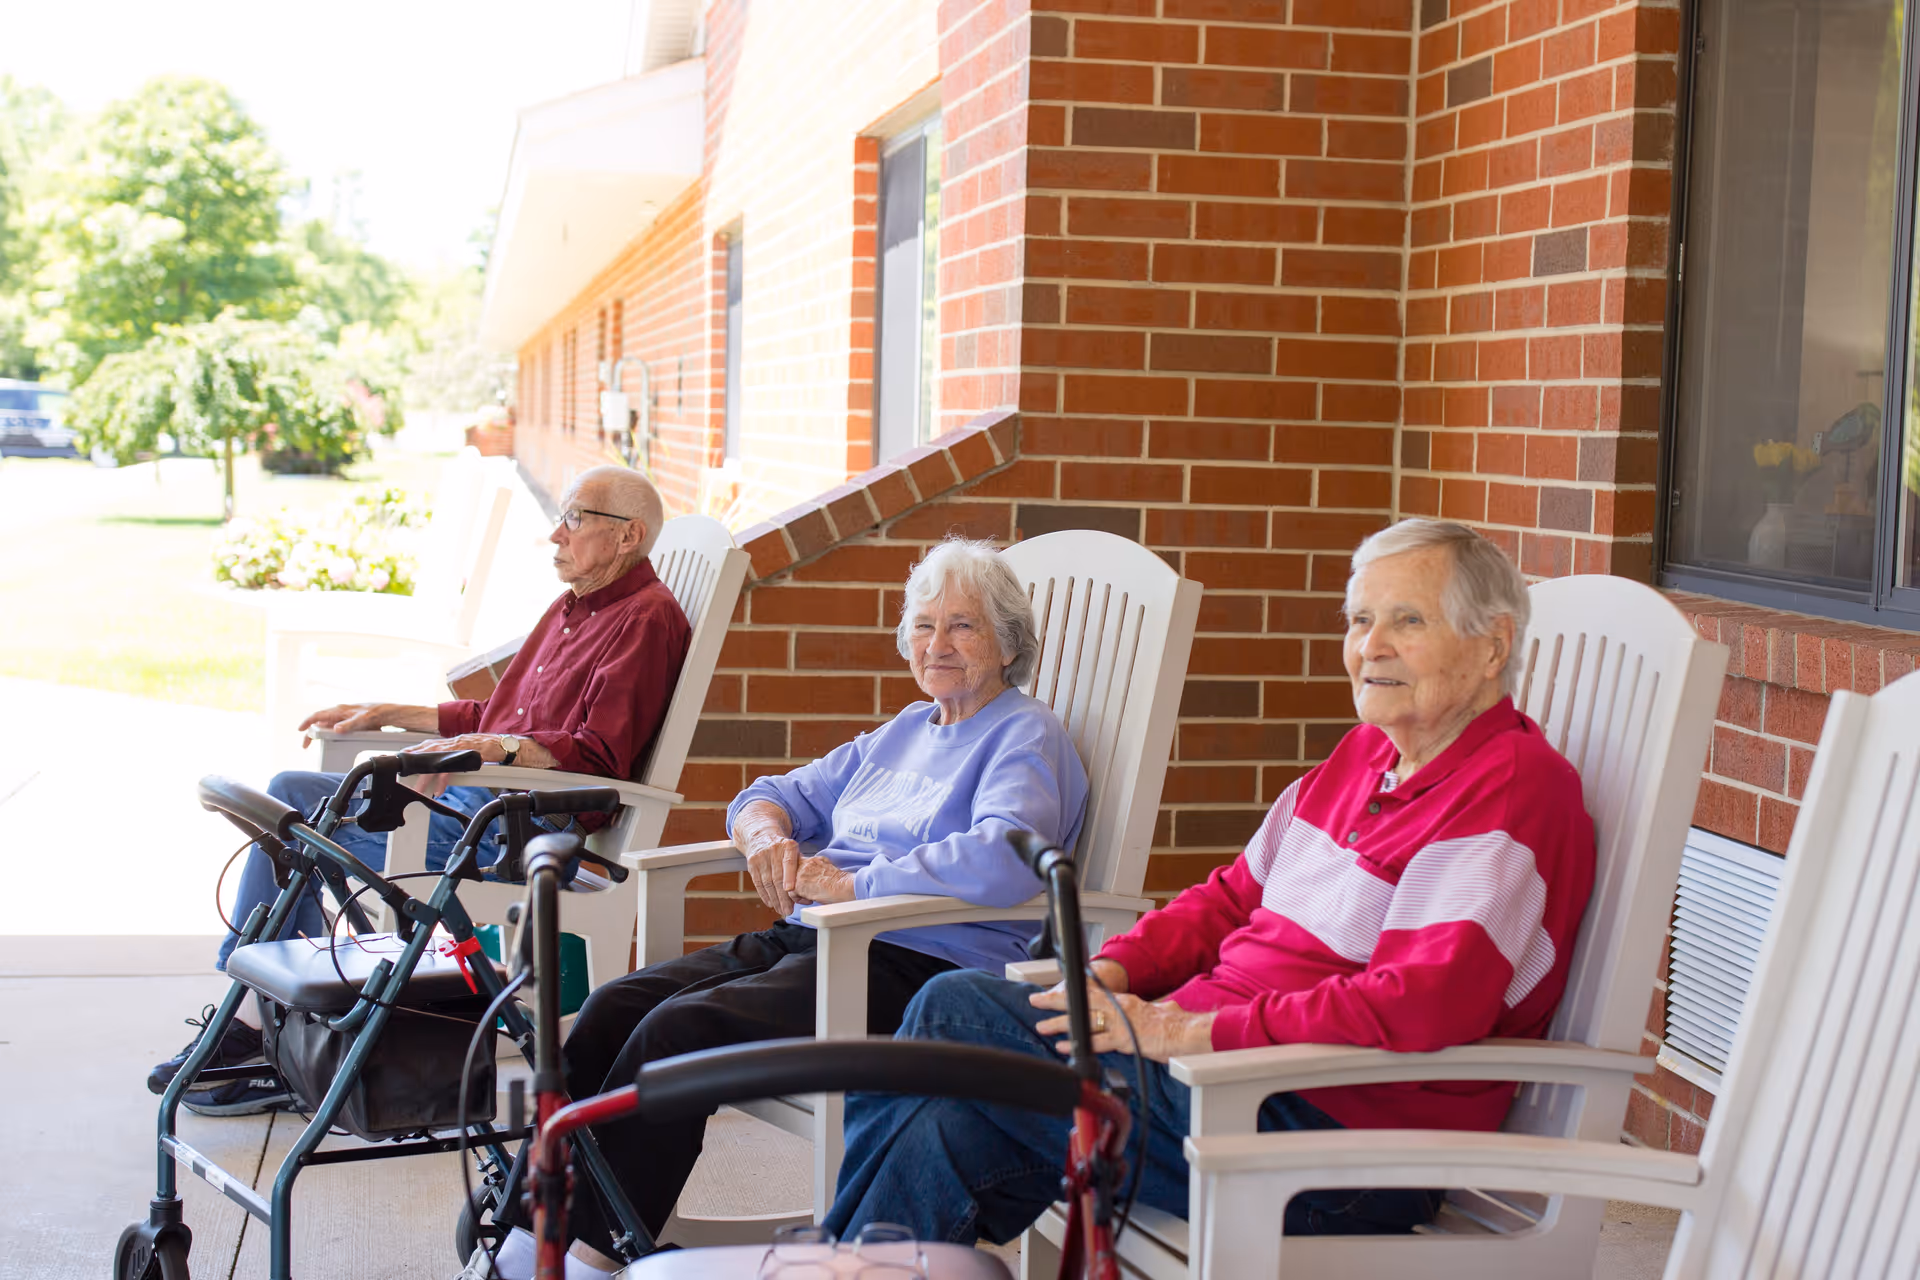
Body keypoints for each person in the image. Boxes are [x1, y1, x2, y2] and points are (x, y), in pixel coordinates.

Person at [825, 518, 1597, 1245]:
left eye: (1408, 621)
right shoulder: (1363, 757)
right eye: (1360, 622)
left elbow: (1423, 1002)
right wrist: (1107, 973)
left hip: (1332, 1136)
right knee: (944, 1130)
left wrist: (1195, 1031)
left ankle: (829, 1259)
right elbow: (1228, 900)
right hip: (1215, 1082)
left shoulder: (1510, 792)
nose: (1372, 647)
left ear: (1492, 647)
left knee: (953, 1007)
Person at [464, 536, 1092, 1280]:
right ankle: (527, 1234)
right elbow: (767, 796)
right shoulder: (901, 733)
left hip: (914, 964)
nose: (938, 644)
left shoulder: (1024, 734)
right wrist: (765, 838)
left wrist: (857, 886)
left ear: (1007, 642)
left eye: (963, 625)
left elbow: (1003, 853)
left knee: (678, 1032)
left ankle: (596, 1254)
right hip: (809, 941)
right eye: (924, 626)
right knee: (615, 1006)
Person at [150, 465, 690, 1116]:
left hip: (513, 827)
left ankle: (249, 1032)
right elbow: (502, 715)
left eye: (575, 519)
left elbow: (600, 753)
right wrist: (390, 712)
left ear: (628, 536)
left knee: (295, 816)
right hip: (473, 802)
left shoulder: (646, 619)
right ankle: (262, 1021)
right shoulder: (571, 610)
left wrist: (499, 750)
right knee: (288, 790)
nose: (556, 534)